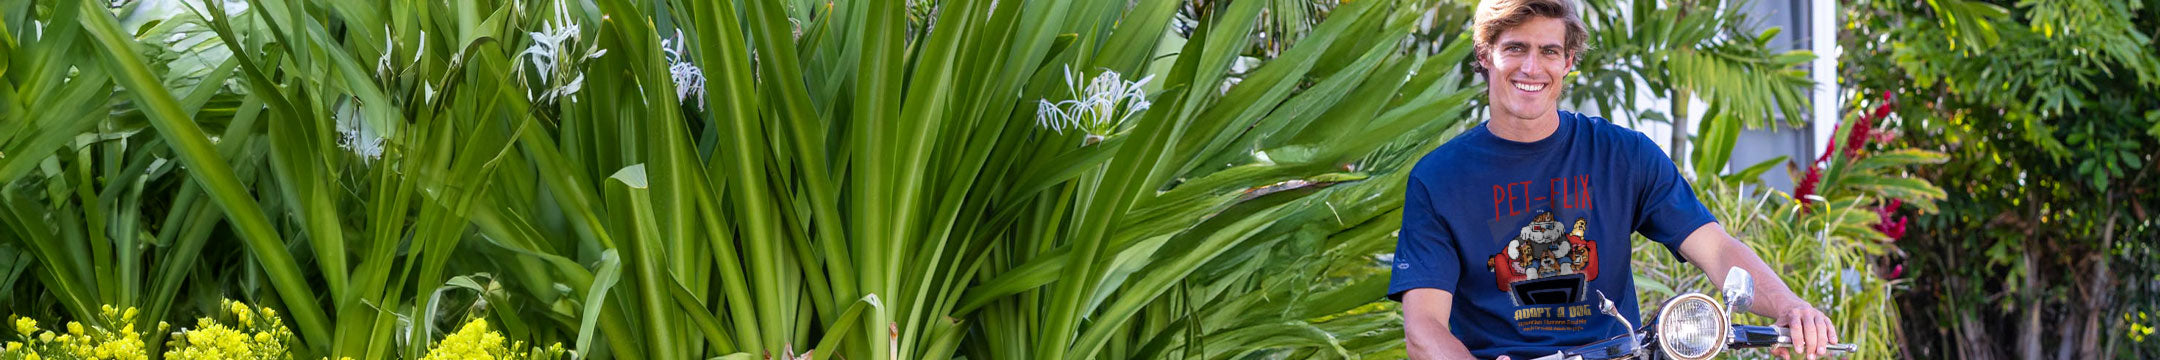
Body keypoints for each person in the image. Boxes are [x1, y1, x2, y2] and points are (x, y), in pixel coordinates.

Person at [1387, 0, 1839, 358]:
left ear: (1568, 62)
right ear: (1486, 55)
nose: (1531, 68)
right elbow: (1424, 329)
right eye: (1515, 48)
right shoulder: (1439, 178)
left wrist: (1789, 306)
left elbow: (1717, 249)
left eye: (1548, 51)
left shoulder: (1623, 155)